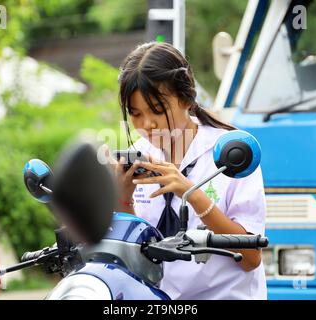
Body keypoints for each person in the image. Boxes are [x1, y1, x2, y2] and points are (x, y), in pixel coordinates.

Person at [112, 41, 267, 300]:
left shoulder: (233, 152)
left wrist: (192, 194)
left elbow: (251, 258)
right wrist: (123, 198)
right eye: (135, 114)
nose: (147, 124)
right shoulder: (138, 156)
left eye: (158, 110)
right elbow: (133, 254)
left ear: (186, 98)